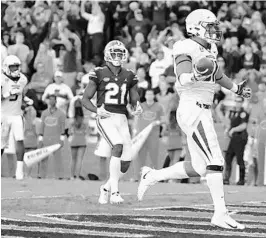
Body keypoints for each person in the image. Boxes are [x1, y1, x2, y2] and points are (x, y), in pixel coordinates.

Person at [137, 9, 251, 230]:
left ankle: (152, 175)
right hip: (192, 107)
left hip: (202, 109)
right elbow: (182, 75)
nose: (215, 30)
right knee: (216, 161)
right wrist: (196, 75)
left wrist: (236, 89)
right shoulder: (185, 46)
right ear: (196, 27)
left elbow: (217, 74)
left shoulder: (211, 48)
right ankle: (220, 213)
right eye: (210, 26)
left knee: (200, 167)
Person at [82, 40, 142, 204]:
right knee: (117, 145)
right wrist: (97, 110)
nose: (118, 56)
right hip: (105, 116)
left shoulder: (129, 74)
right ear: (108, 54)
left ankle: (106, 188)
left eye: (120, 53)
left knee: (126, 162)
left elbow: (133, 98)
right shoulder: (99, 72)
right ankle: (115, 192)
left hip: (122, 118)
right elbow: (85, 99)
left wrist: (137, 106)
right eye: (114, 53)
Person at [1, 55, 33, 180]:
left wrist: (25, 100)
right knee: (1, 144)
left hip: (16, 114)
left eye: (16, 66)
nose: (15, 69)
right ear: (6, 67)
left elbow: (20, 94)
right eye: (12, 66)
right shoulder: (2, 79)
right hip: (3, 115)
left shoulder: (23, 79)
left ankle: (19, 171)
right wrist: (8, 93)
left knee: (19, 139)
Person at [38, 95, 66, 179]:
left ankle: (59, 175)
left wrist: (62, 139)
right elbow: (42, 125)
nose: (51, 102)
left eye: (53, 100)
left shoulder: (61, 113)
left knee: (58, 158)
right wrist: (40, 138)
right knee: (43, 157)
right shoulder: (44, 113)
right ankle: (41, 175)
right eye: (50, 100)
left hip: (56, 138)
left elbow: (62, 126)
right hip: (46, 137)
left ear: (56, 101)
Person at [223, 97, 249, 185]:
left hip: (240, 137)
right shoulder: (233, 112)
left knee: (239, 158)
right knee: (228, 157)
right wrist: (228, 129)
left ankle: (241, 180)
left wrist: (233, 129)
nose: (237, 103)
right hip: (233, 138)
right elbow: (230, 123)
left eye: (239, 102)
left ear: (242, 103)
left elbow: (244, 125)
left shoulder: (243, 113)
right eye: (236, 101)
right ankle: (226, 178)